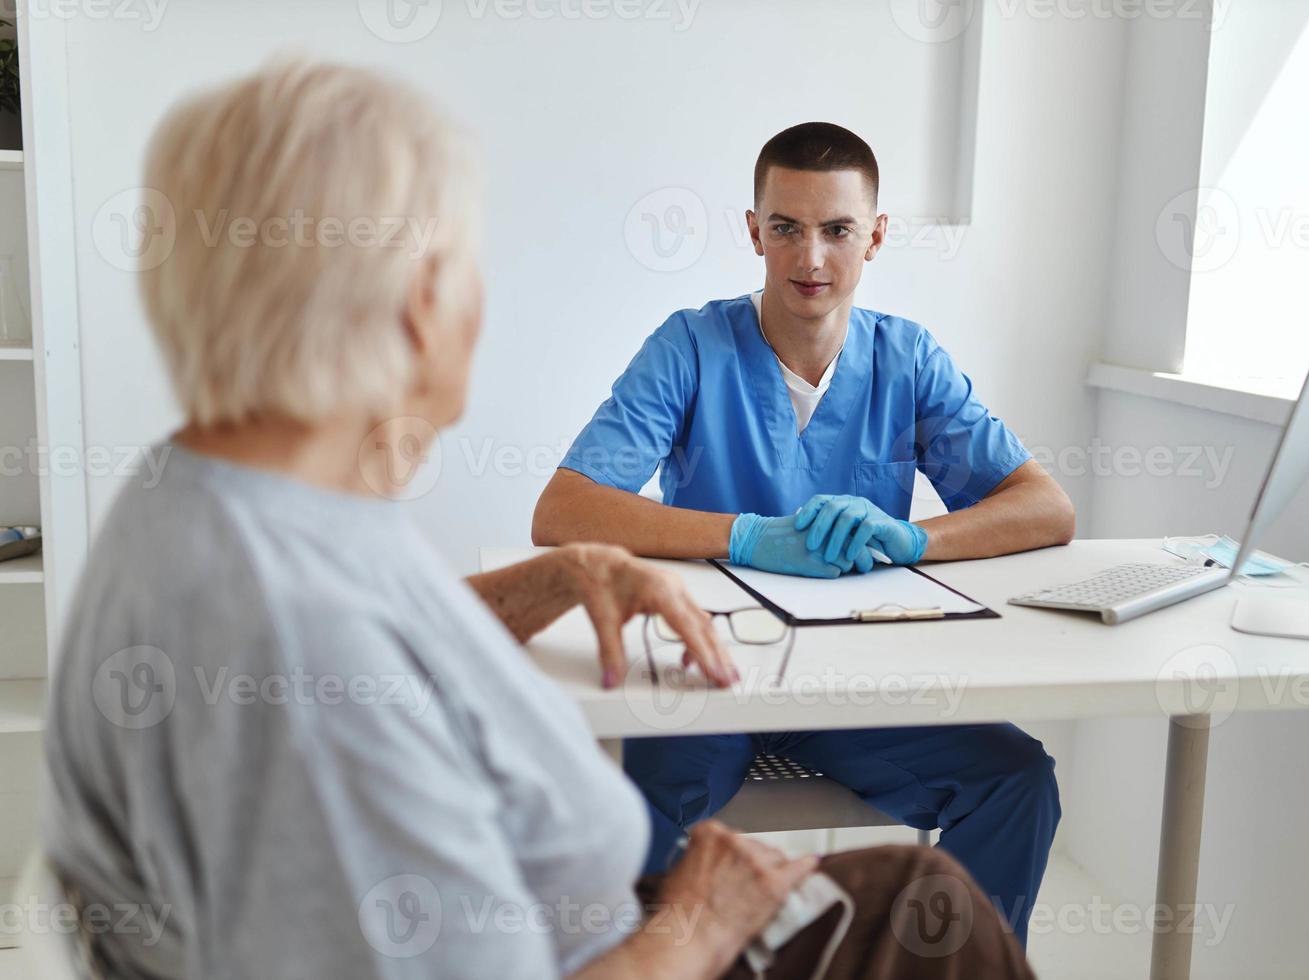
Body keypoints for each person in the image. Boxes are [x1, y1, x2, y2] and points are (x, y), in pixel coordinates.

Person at [42, 60, 1034, 979]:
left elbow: (384, 640)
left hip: (611, 897)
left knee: (954, 855)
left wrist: (559, 577)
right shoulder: (290, 632)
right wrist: (698, 914)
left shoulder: (221, 494)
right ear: (415, 303)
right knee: (927, 906)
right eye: (464, 261)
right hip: (635, 932)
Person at [533, 122, 1075, 942]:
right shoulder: (690, 347)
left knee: (1018, 783)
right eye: (785, 228)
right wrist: (745, 535)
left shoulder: (908, 360)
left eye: (837, 230)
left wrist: (917, 541)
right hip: (711, 675)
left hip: (859, 681)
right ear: (755, 231)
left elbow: (1046, 508)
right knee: (626, 819)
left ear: (876, 237)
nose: (810, 258)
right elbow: (564, 509)